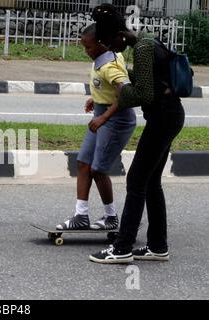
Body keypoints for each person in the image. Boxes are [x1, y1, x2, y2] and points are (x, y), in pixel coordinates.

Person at [88, 4, 185, 264]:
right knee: (151, 182)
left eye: (109, 42)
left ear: (120, 34)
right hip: (168, 116)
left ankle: (122, 248)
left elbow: (143, 94)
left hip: (163, 118)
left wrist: (121, 89)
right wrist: (122, 83)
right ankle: (157, 246)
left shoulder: (142, 49)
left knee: (136, 181)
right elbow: (149, 84)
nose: (109, 48)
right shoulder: (144, 43)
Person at [56, 24, 136, 231]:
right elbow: (107, 87)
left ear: (101, 44)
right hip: (102, 114)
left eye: (88, 47)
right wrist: (97, 98)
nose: (86, 52)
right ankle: (81, 215)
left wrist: (104, 117)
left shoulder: (110, 65)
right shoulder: (102, 56)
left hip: (117, 120)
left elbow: (127, 94)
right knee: (83, 162)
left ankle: (111, 217)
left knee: (98, 169)